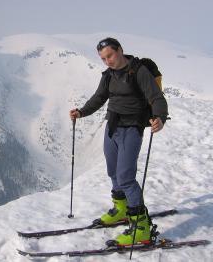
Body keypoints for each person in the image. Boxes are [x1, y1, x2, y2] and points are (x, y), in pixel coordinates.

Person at [69, 37, 168, 246]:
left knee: (126, 177)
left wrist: (159, 117)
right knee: (113, 171)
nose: (108, 61)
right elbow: (99, 98)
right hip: (112, 126)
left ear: (120, 50)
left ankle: (141, 227)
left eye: (110, 56)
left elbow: (156, 98)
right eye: (103, 58)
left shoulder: (138, 71)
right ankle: (122, 209)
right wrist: (81, 112)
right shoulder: (108, 75)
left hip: (132, 128)